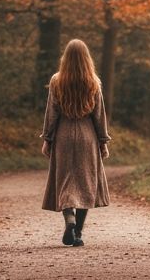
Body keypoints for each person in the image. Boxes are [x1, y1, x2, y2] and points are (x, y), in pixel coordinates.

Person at [40, 38, 111, 246]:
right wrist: (103, 141)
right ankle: (77, 233)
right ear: (86, 58)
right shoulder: (94, 81)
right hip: (87, 137)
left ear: (66, 58)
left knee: (64, 181)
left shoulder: (56, 80)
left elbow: (51, 112)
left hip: (63, 136)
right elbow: (99, 114)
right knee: (85, 183)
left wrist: (47, 138)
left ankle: (69, 219)